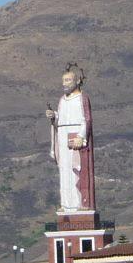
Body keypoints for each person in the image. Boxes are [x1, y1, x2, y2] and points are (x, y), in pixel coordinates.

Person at [45, 64, 95, 211]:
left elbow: (86, 119)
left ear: (77, 81)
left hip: (76, 139)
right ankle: (66, 204)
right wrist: (53, 116)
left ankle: (80, 203)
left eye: (68, 80)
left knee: (76, 171)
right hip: (62, 137)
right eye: (64, 80)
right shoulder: (62, 100)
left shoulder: (82, 98)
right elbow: (60, 119)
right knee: (64, 171)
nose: (64, 83)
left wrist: (81, 136)